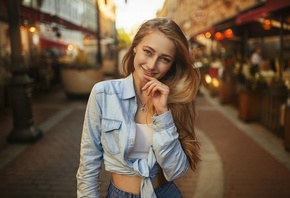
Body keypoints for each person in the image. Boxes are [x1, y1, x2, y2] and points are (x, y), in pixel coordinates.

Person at [76, 17, 201, 198]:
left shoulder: (175, 101)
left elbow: (176, 171)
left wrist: (163, 114)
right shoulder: (104, 94)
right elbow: (88, 163)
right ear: (135, 47)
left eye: (164, 59)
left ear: (173, 64)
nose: (152, 65)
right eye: (148, 52)